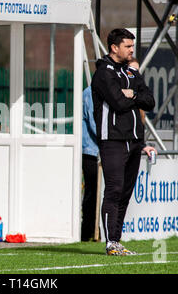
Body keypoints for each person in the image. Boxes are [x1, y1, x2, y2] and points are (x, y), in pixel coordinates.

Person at [91, 28, 156, 256]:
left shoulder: (130, 71)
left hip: (134, 141)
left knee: (125, 193)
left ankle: (117, 240)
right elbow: (118, 103)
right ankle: (110, 242)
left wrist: (133, 95)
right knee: (114, 190)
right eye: (127, 46)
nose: (131, 50)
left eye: (132, 46)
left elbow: (149, 101)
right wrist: (129, 96)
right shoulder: (103, 72)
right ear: (114, 47)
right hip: (113, 140)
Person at [81, 86, 99, 241]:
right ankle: (87, 231)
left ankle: (96, 230)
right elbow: (95, 125)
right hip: (91, 151)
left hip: (99, 150)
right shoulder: (90, 93)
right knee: (91, 192)